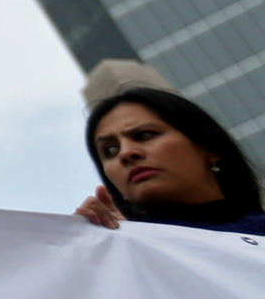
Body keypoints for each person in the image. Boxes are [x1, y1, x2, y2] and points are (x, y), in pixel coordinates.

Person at [73, 83, 265, 235]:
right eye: (110, 150)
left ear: (208, 145)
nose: (126, 153)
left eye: (144, 135)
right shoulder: (119, 249)